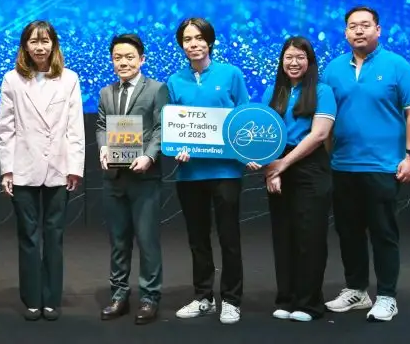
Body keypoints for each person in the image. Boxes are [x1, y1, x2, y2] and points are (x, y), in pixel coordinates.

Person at [322, 6, 410, 322]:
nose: (359, 30)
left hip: (383, 166)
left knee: (383, 233)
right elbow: (324, 117)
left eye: (365, 25)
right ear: (345, 32)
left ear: (378, 30)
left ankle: (387, 296)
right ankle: (356, 290)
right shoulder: (333, 69)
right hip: (343, 166)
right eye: (353, 26)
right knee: (348, 232)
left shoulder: (397, 65)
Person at [0, 19, 85, 321]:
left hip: (59, 167)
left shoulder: (69, 78)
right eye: (33, 41)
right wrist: (7, 170)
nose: (39, 47)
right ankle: (32, 298)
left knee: (54, 234)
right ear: (25, 45)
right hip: (23, 167)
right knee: (29, 235)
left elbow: (75, 128)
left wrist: (75, 167)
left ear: (53, 45)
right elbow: (6, 129)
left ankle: (51, 298)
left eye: (44, 41)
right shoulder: (12, 80)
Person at [247, 36, 336, 322]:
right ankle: (286, 299)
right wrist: (269, 169)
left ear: (309, 61)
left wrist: (282, 165)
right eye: (289, 57)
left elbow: (319, 134)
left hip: (310, 166)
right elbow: (264, 137)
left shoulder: (323, 91)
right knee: (283, 236)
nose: (294, 62)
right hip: (279, 165)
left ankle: (309, 304)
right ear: (281, 61)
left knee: (309, 237)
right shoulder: (272, 93)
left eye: (300, 57)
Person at [168, 17, 249, 324]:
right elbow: (171, 126)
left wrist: (246, 151)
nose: (194, 44)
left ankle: (231, 300)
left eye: (199, 38)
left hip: (226, 171)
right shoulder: (174, 81)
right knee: (197, 239)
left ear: (210, 41)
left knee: (229, 238)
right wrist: (177, 148)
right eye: (188, 39)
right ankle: (203, 297)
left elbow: (244, 116)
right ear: (181, 45)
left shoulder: (231, 74)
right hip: (190, 174)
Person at [96, 33, 168, 325]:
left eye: (129, 57)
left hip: (145, 178)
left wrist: (149, 156)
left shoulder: (157, 89)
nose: (123, 62)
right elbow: (101, 125)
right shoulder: (106, 92)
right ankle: (119, 295)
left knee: (147, 241)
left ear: (142, 59)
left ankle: (150, 298)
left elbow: (161, 128)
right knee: (118, 241)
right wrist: (103, 147)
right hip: (114, 177)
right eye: (117, 58)